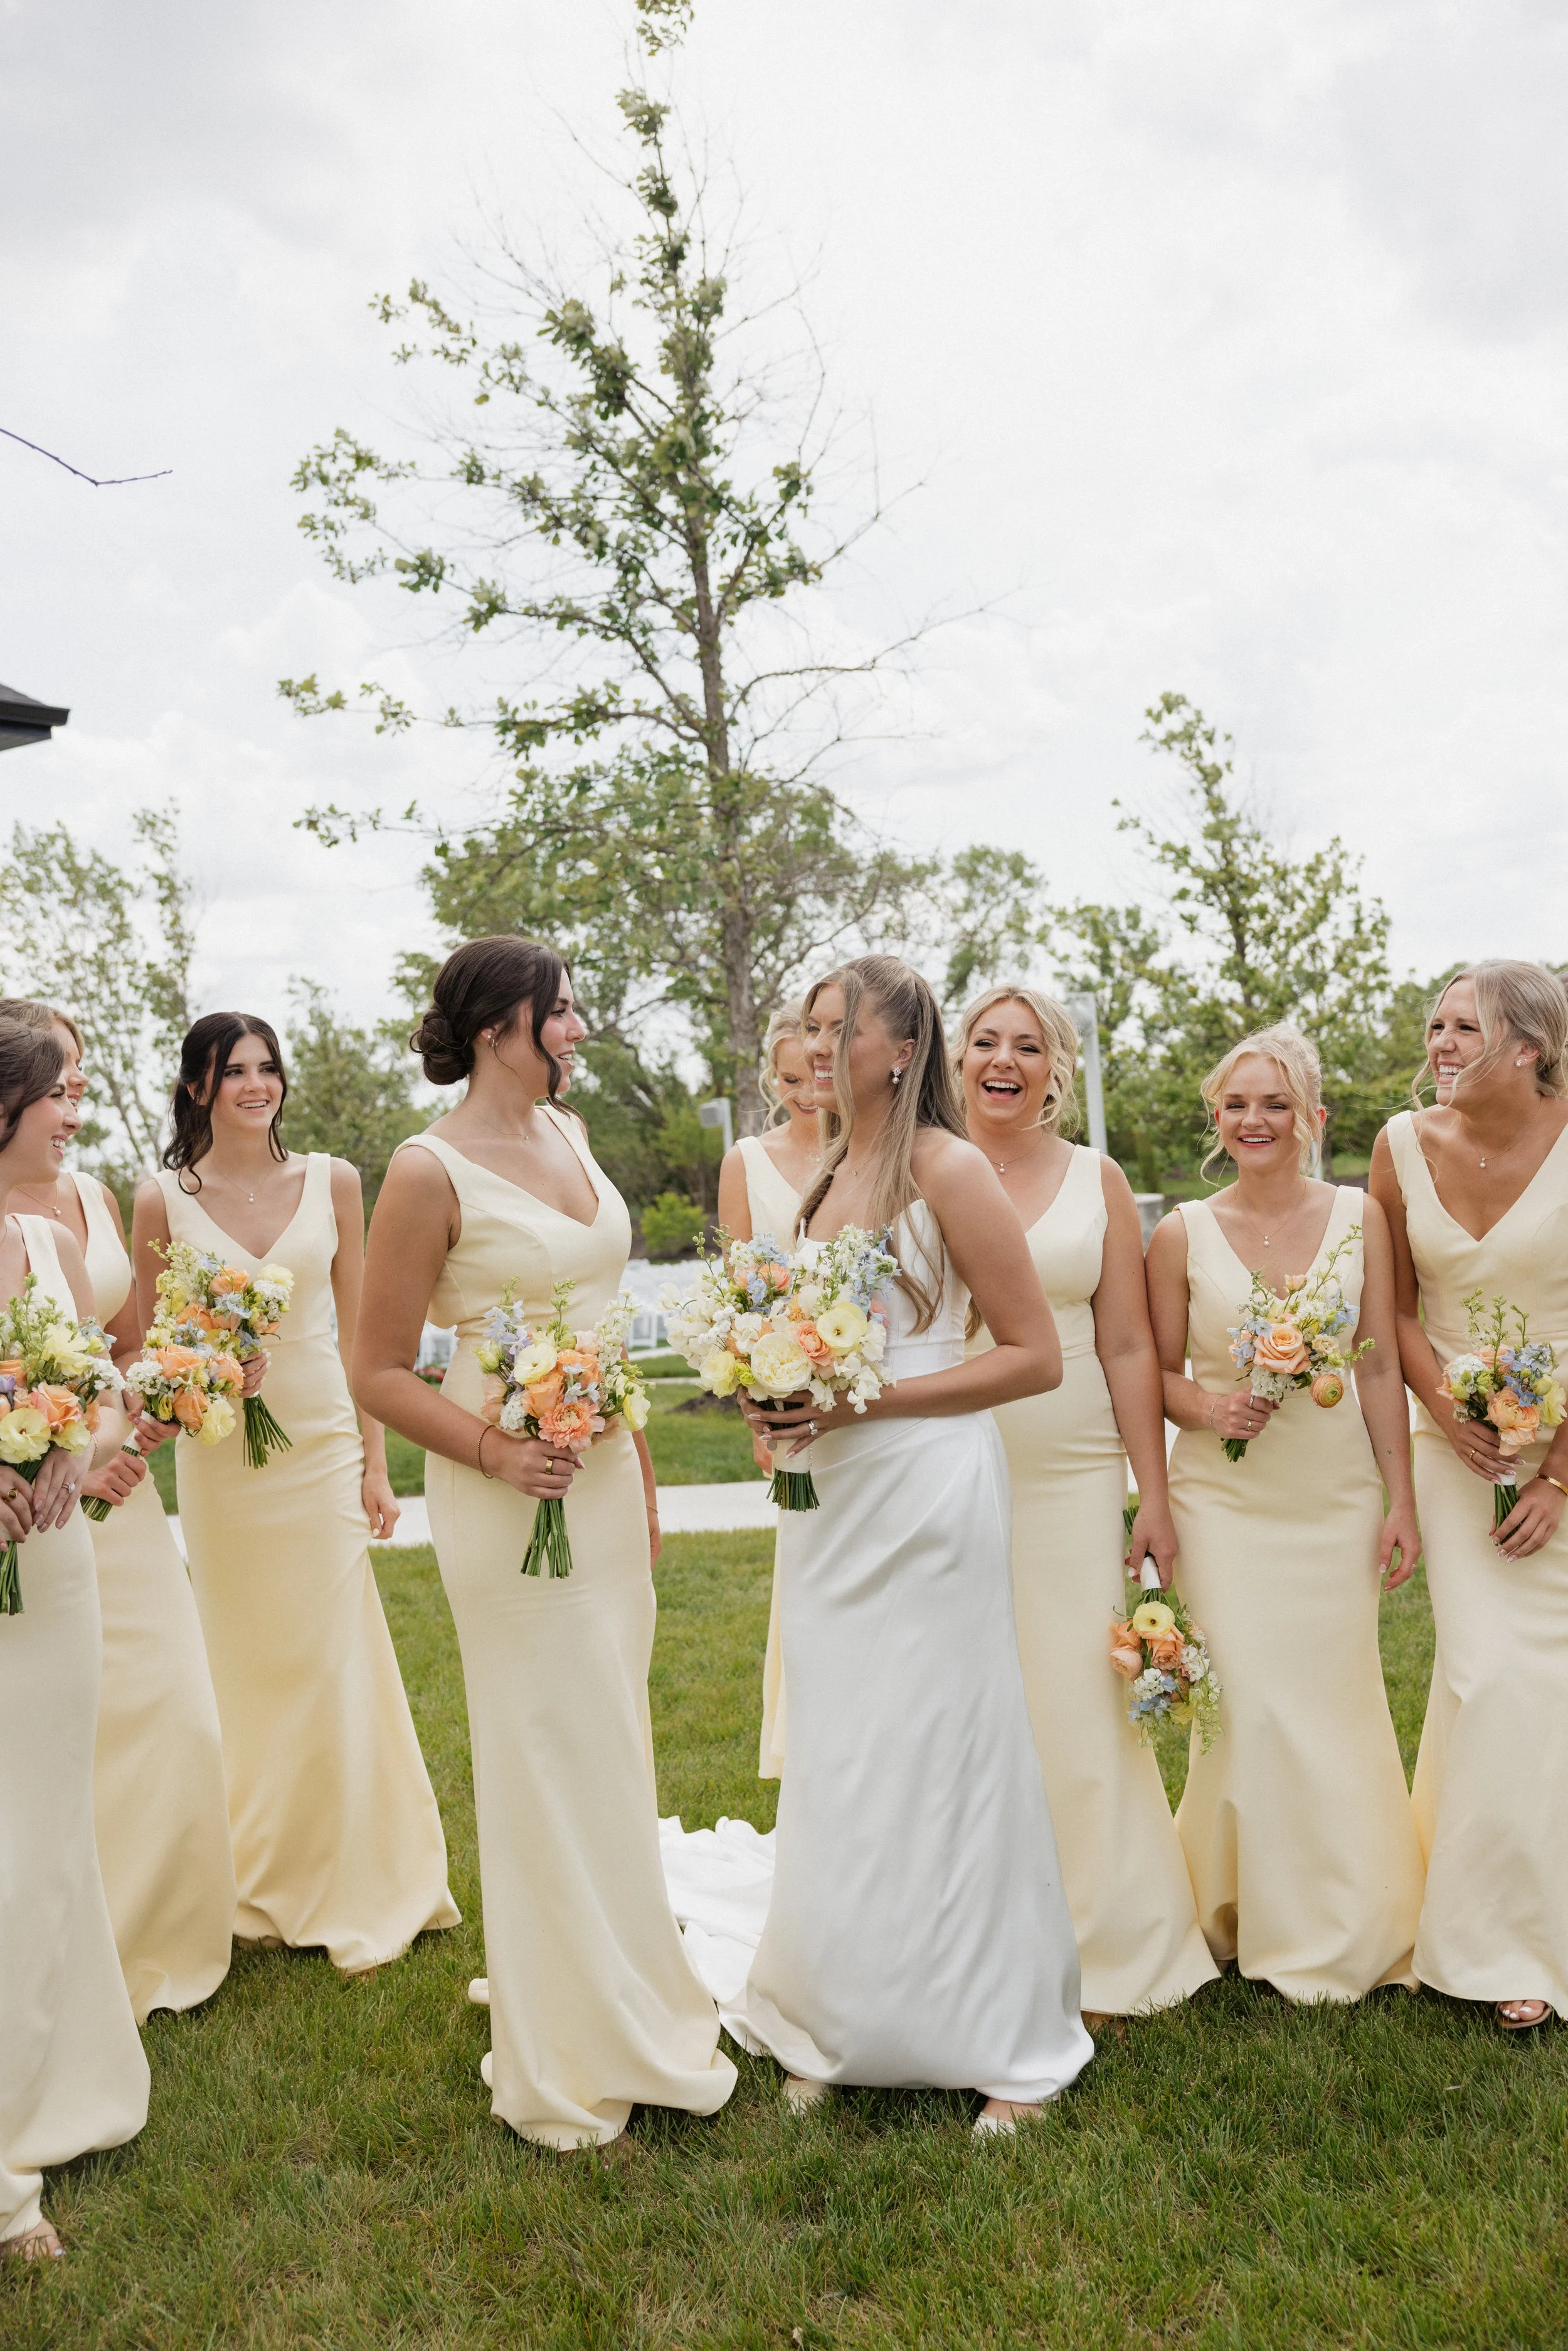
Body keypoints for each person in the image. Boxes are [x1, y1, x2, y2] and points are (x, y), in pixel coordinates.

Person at [354, 937, 736, 2151]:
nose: (574, 1028)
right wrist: (493, 1451)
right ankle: (562, 2042)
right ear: (490, 1026)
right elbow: (373, 1366)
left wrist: (645, 1475)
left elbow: (598, 1320)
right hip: (498, 1477)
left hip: (603, 1466)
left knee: (610, 1735)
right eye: (556, 1011)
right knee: (537, 1745)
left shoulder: (572, 1136)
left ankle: (628, 1990)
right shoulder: (424, 1171)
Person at [734, 954, 1093, 2135]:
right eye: (812, 1023)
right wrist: (771, 1393)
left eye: (843, 1028)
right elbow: (804, 1330)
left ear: (901, 1048)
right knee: (846, 1752)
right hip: (829, 1496)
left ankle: (1004, 2038)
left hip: (926, 1486)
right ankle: (839, 2013)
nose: (820, 1044)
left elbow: (1032, 1354)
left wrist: (865, 1403)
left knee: (944, 1746)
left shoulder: (949, 1166)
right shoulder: (826, 1170)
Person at [132, 1014, 457, 1975]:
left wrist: (374, 1461)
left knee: (331, 1655)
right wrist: (203, 1373)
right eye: (234, 1071)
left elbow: (369, 1338)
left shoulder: (335, 1181)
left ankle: (357, 1872)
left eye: (267, 1068)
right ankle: (256, 1867)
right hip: (222, 1460)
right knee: (244, 1663)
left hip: (319, 1440)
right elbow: (150, 1348)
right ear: (197, 1086)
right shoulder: (160, 1199)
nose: (255, 1085)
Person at [1145, 1026, 1424, 2001]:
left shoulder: (1361, 1218)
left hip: (1334, 1493)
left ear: (1313, 1115)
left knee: (1336, 1700)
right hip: (1223, 1500)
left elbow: (1383, 1360)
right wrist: (1214, 1408)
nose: (1255, 1121)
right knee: (1245, 1708)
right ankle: (1236, 1906)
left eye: (1275, 1103)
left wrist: (1402, 1499)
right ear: (1216, 1118)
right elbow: (1152, 1375)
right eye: (1237, 1104)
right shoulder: (1180, 1230)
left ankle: (1349, 1914)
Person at [956, 984, 1216, 2016]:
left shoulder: (1095, 1178)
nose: (1004, 1060)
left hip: (1070, 1472)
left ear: (1057, 1066)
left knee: (1075, 1692)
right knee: (969, 1691)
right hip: (946, 1466)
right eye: (986, 1041)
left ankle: (1107, 1936)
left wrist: (1147, 1494)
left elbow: (1126, 1344)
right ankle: (975, 1925)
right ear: (957, 1056)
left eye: (1028, 1045)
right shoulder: (924, 1165)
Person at [0, 997, 234, 2022]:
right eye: (63, 1089)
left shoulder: (87, 1195)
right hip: (41, 1501)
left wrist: (157, 1404)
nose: (79, 1108)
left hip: (115, 1493)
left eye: (82, 1087)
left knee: (175, 1716)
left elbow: (123, 1346)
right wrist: (56, 1452)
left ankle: (153, 1947)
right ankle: (63, 1966)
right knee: (59, 1739)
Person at [1370, 961, 1568, 2030]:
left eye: (1463, 1028)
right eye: (1434, 1023)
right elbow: (1392, 1305)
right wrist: (1448, 1408)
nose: (1438, 1043)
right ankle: (1503, 1940)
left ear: (1527, 1049)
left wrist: (1560, 1473)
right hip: (1455, 1446)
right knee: (1492, 1674)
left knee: (1542, 1690)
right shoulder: (1401, 1147)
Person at [0, 1017, 147, 2262]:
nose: (76, 1116)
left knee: (41, 1845)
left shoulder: (49, 1243)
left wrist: (73, 1454)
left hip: (50, 1582)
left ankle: (44, 2096)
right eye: (61, 1095)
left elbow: (92, 1395)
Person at [715, 1002, 821, 1776]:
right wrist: (762, 1407)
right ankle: (812, 1743)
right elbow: (740, 1294)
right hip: (789, 1397)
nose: (806, 1090)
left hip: (873, 1381)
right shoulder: (746, 1160)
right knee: (810, 1569)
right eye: (789, 1077)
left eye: (817, 1072)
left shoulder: (881, 1153)